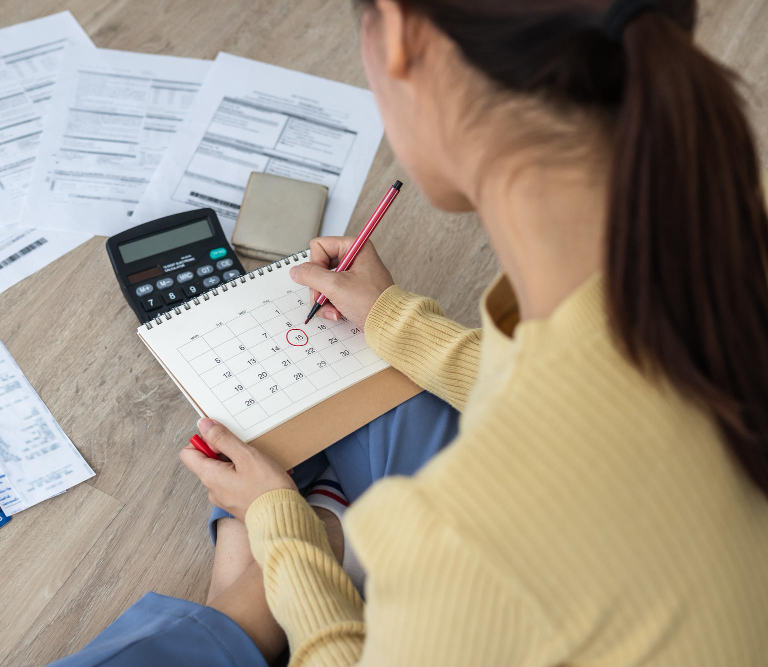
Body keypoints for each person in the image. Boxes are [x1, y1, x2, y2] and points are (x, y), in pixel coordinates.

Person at [54, 0, 768, 664]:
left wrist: (284, 532)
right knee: (366, 377)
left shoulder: (459, 547)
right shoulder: (723, 241)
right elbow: (580, 393)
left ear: (399, 33)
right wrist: (395, 320)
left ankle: (256, 586)